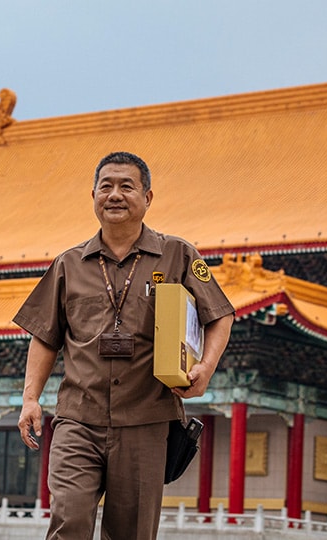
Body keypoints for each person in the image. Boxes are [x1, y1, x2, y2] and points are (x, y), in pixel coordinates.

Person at [14, 151, 234, 539]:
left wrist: (206, 369)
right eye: (106, 186)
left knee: (131, 532)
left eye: (126, 186)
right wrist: (31, 398)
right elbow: (45, 337)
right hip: (78, 418)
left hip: (145, 421)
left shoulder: (178, 254)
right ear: (94, 196)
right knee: (68, 518)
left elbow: (219, 315)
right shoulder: (69, 264)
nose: (115, 195)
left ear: (147, 198)